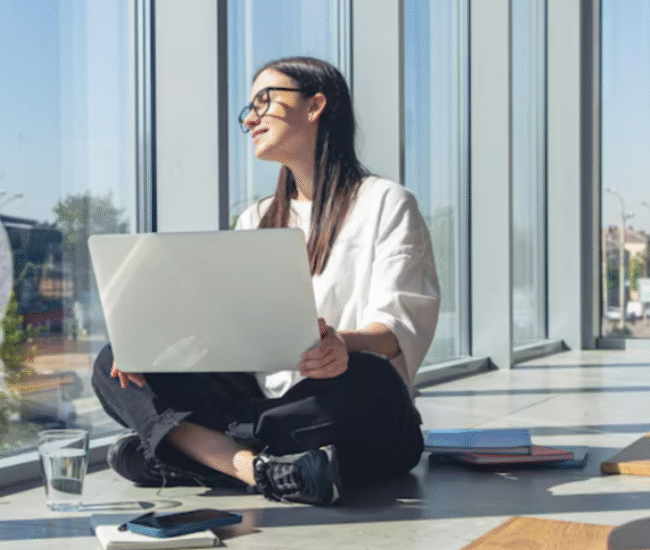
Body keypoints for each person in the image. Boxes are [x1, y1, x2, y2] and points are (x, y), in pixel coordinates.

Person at [91, 56, 440, 506]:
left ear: (315, 106)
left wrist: (342, 345)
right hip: (264, 398)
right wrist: (150, 346)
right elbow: (226, 327)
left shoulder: (386, 203)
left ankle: (188, 449)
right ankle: (255, 468)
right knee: (113, 364)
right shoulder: (256, 218)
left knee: (371, 380)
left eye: (265, 101)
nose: (251, 118)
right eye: (248, 110)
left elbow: (398, 327)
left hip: (338, 407)